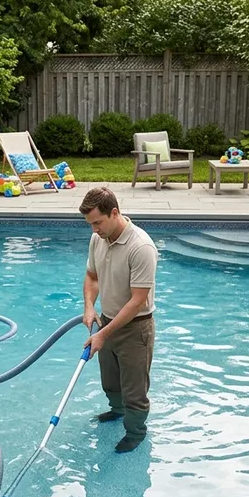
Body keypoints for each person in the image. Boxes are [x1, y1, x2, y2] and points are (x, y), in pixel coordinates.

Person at [80, 187, 159, 453]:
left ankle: (135, 432)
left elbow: (137, 301)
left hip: (136, 328)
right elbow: (92, 277)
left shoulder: (141, 247)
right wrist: (89, 307)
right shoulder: (98, 238)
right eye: (90, 224)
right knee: (110, 381)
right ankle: (117, 410)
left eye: (98, 222)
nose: (94, 230)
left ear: (114, 213)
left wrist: (102, 334)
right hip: (107, 321)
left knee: (134, 390)